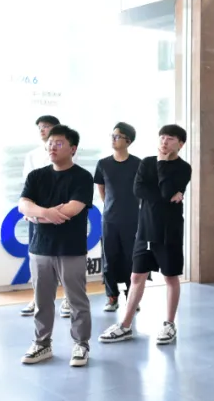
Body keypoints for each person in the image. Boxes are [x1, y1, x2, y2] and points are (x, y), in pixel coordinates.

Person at [99, 124, 192, 345]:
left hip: (169, 231)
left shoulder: (183, 168)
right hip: (145, 229)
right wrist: (166, 194)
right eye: (162, 137)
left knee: (170, 277)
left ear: (180, 144)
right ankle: (125, 325)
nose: (164, 142)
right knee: (136, 276)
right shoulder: (147, 163)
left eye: (170, 138)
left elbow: (166, 190)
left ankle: (169, 324)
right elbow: (139, 190)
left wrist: (163, 166)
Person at [18, 125, 95, 367]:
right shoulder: (36, 176)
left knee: (76, 300)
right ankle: (42, 344)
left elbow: (72, 210)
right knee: (42, 300)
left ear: (73, 149)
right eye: (50, 143)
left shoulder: (82, 177)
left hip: (71, 248)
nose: (52, 147)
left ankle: (81, 344)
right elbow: (23, 205)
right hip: (40, 248)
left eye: (59, 143)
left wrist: (36, 215)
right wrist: (47, 213)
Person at [94, 123, 142, 313]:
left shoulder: (138, 164)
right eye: (112, 136)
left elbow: (142, 190)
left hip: (132, 218)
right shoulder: (103, 164)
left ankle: (132, 297)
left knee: (132, 258)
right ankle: (111, 296)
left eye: (118, 136)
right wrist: (110, 206)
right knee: (109, 257)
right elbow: (102, 189)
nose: (113, 139)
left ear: (128, 141)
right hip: (110, 219)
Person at [21, 115, 62, 317]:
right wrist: (30, 210)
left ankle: (68, 298)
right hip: (37, 215)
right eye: (40, 127)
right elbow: (28, 188)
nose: (42, 129)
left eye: (46, 126)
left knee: (64, 257)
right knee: (37, 258)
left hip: (60, 213)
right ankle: (37, 297)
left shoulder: (68, 152)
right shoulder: (32, 155)